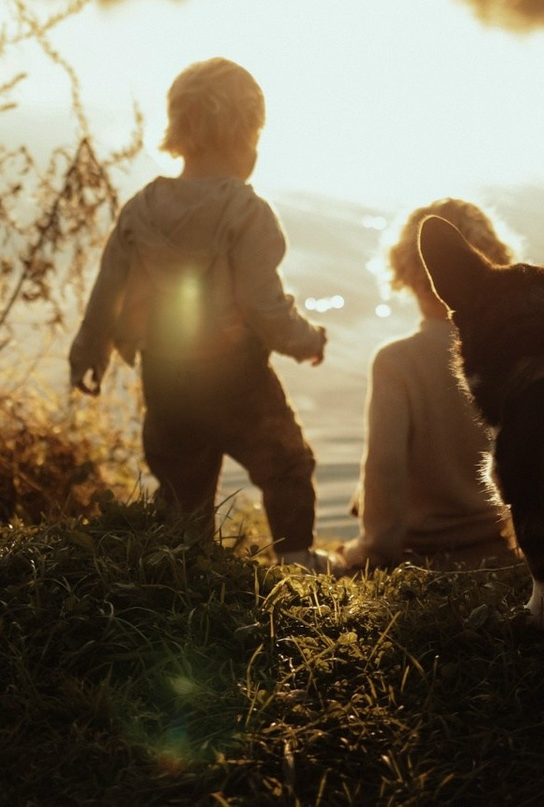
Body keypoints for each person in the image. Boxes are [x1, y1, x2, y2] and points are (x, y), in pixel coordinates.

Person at [68, 58, 333, 570]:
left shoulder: (141, 209)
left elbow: (107, 296)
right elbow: (264, 306)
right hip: (237, 377)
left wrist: (88, 353)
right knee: (286, 464)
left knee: (182, 480)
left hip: (165, 377)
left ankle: (187, 563)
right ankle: (297, 558)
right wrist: (307, 341)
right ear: (245, 136)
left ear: (179, 130)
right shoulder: (246, 212)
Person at [337, 199, 518, 574]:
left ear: (407, 272)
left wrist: (373, 549)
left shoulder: (397, 361)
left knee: (364, 498)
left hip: (425, 552)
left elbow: (384, 466)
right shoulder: (515, 350)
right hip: (505, 543)